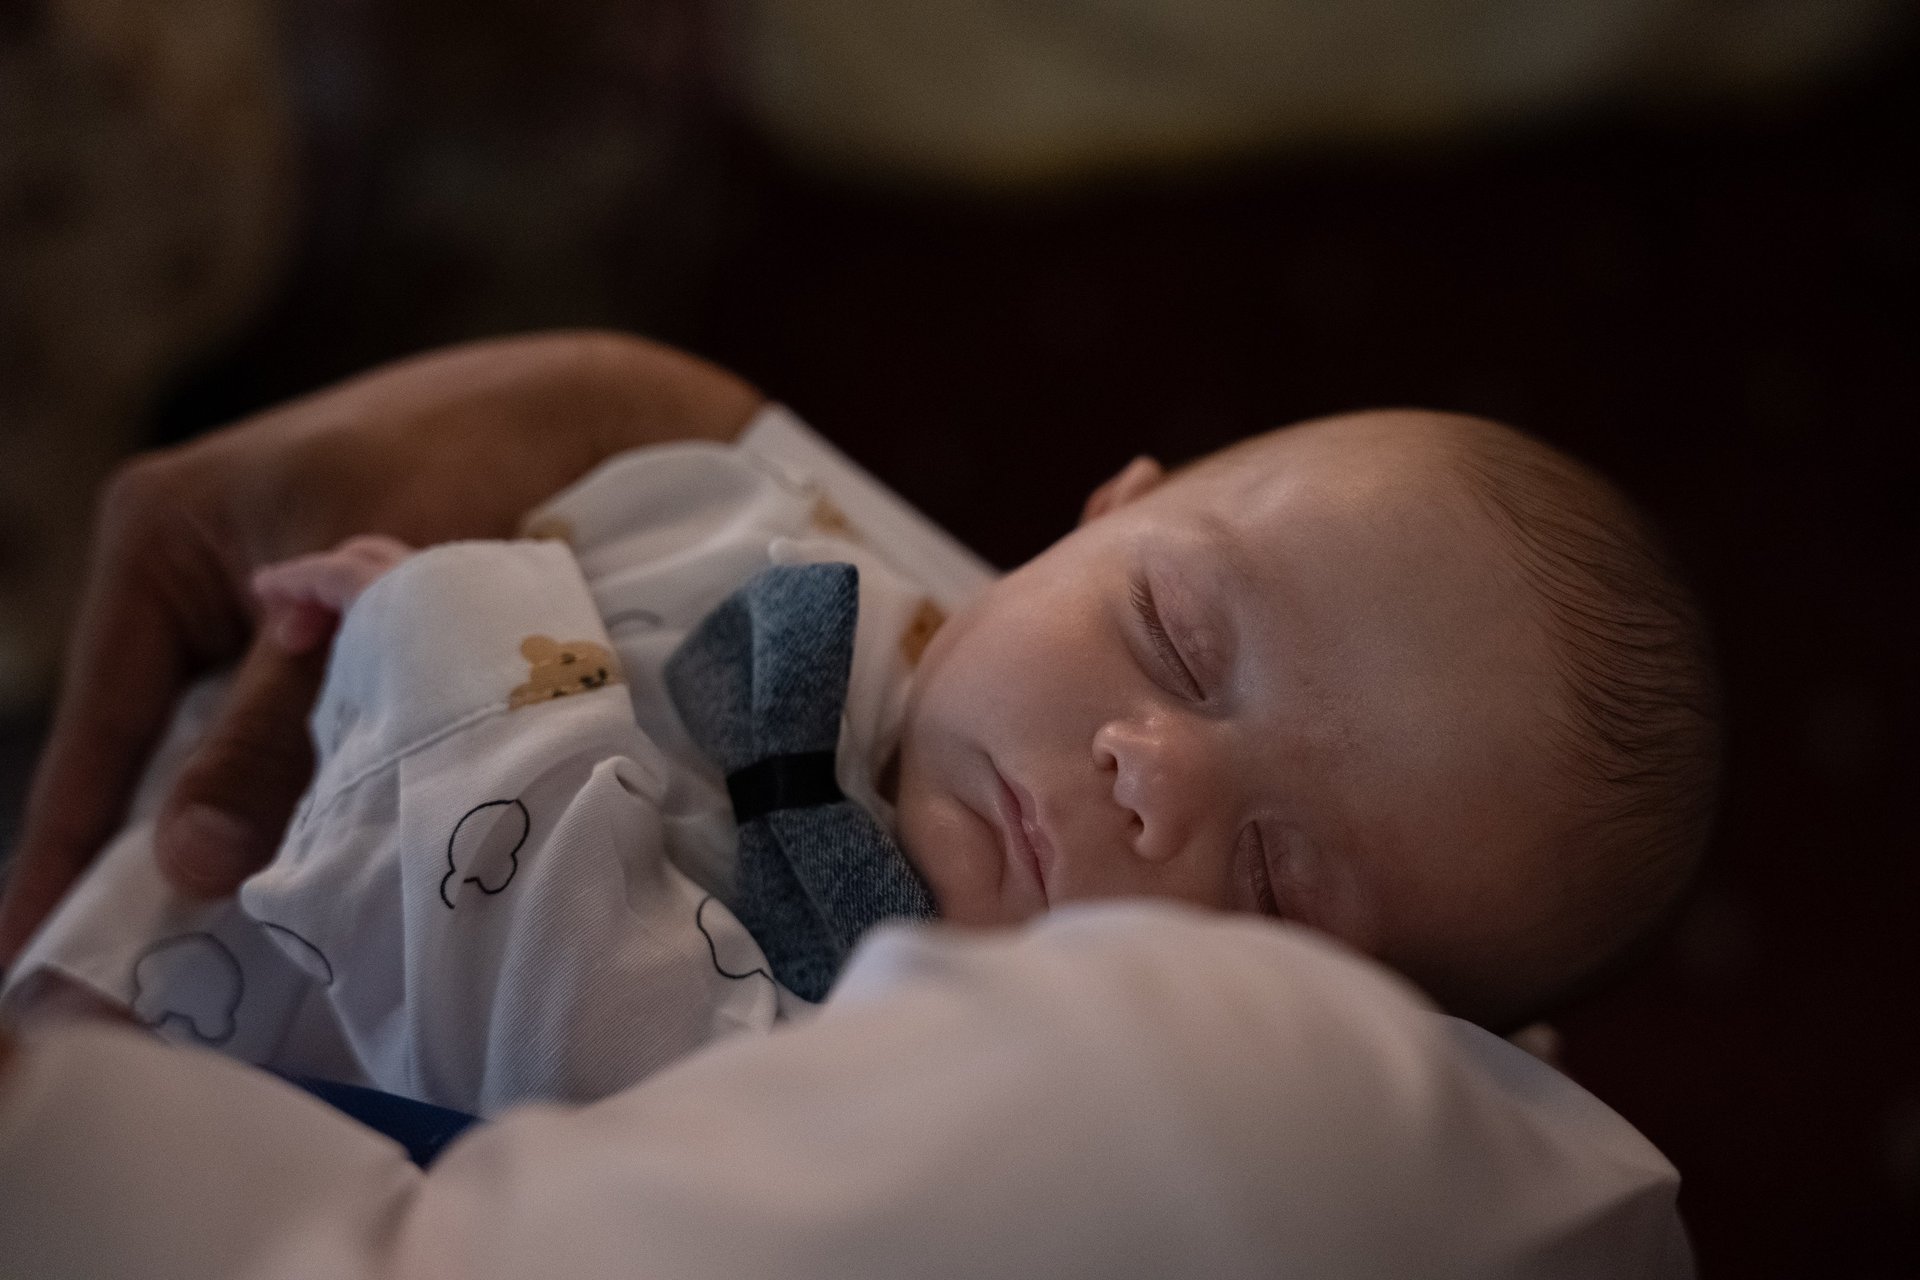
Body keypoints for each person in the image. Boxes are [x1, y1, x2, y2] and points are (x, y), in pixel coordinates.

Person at [1, 337, 1719, 1115]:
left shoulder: (905, 1073)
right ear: (1102, 510)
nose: (1154, 769)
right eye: (1175, 636)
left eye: (1272, 880)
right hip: (126, 848)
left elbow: (533, 1024)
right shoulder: (763, 529)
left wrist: (438, 629)